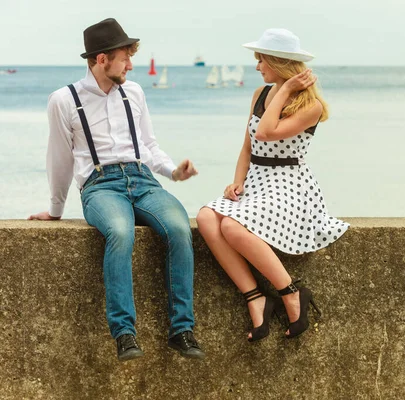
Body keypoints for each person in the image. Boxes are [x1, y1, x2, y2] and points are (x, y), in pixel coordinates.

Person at [28, 18, 204, 361]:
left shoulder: (134, 92)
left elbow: (149, 145)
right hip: (100, 186)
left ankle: (182, 329)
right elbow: (59, 158)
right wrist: (56, 209)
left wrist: (173, 172)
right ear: (101, 59)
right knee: (121, 233)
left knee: (180, 228)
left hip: (143, 180)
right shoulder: (64, 100)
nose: (131, 64)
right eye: (125, 57)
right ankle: (124, 333)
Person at [196, 28, 349, 342]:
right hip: (257, 181)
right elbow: (248, 147)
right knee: (206, 218)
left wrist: (285, 88)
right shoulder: (259, 94)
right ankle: (255, 297)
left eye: (261, 60)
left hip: (290, 185)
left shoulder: (311, 106)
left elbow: (266, 132)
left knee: (233, 228)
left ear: (280, 63)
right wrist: (236, 183)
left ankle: (292, 293)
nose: (257, 67)